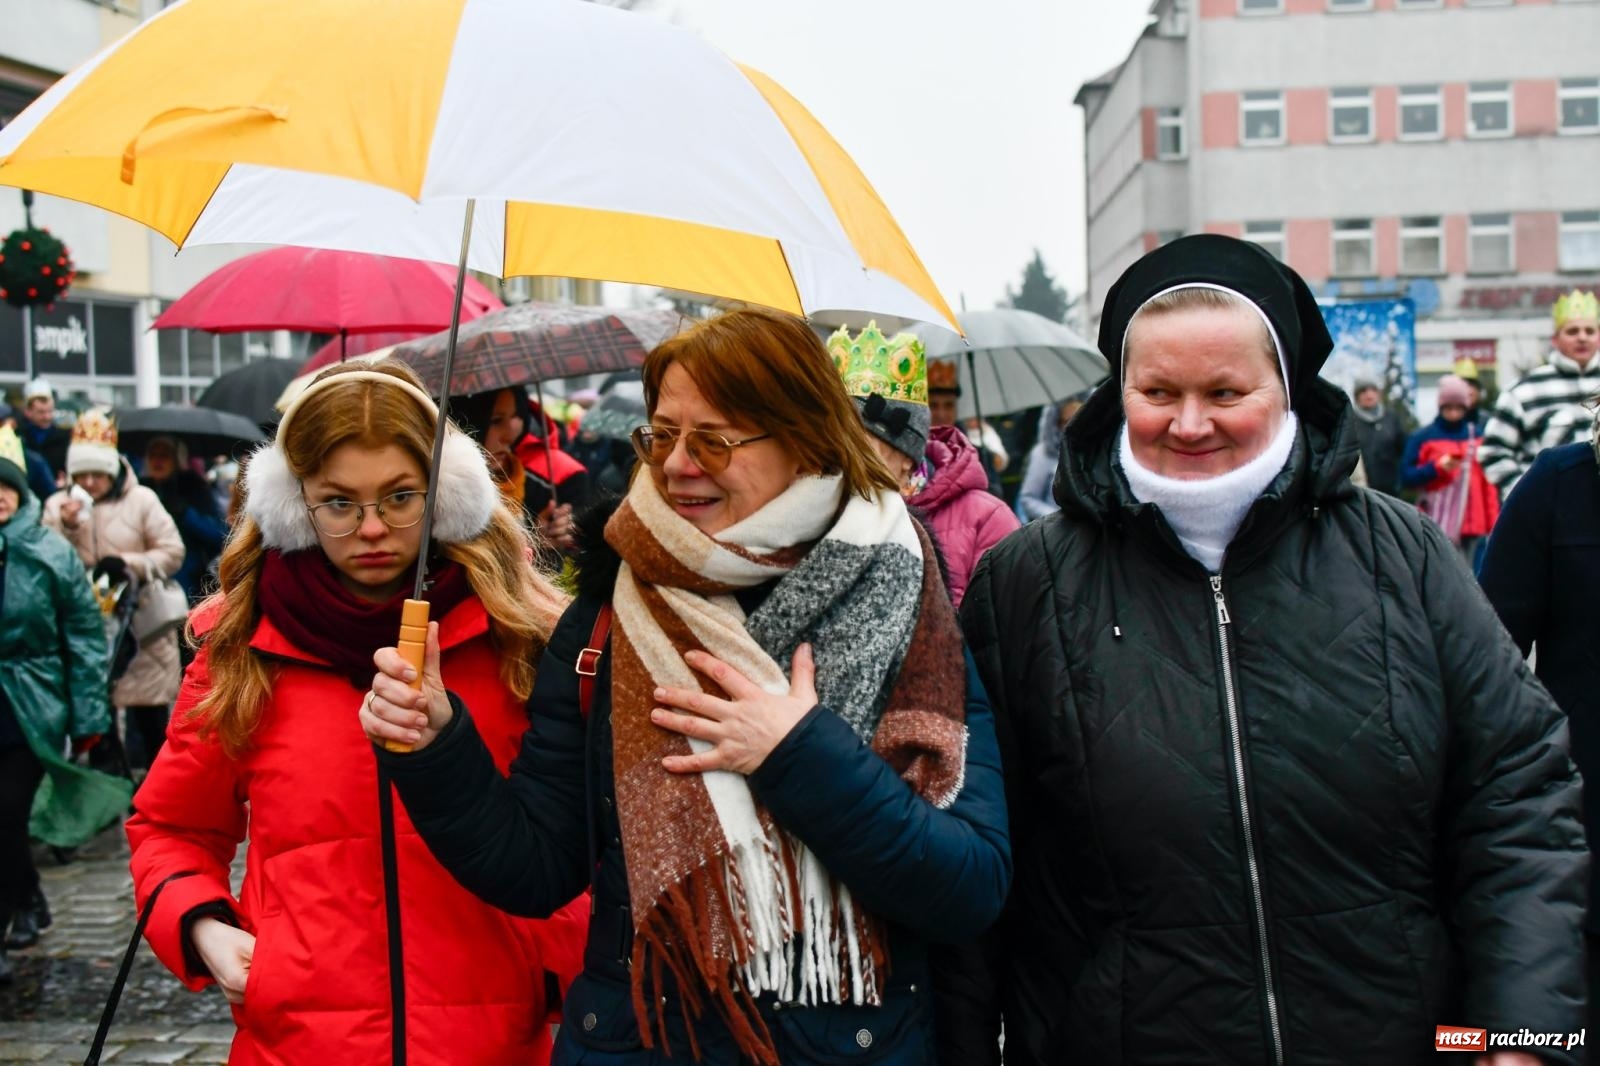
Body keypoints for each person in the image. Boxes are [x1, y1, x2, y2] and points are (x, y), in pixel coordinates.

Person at [948, 235, 1586, 1066]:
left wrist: (1523, 1035)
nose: (1189, 423)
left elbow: (1517, 792)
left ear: (1286, 388)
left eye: (1225, 391)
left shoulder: (1402, 555)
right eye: (1157, 391)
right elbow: (977, 861)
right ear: (1118, 392)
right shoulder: (1025, 583)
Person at [361, 307, 1010, 1066]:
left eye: (714, 440)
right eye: (663, 435)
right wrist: (437, 744)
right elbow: (535, 865)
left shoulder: (901, 600)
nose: (676, 465)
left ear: (805, 440)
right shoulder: (607, 612)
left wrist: (798, 754)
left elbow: (969, 885)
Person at [125, 361, 587, 1065]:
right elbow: (171, 827)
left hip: (491, 1039)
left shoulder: (525, 640)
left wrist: (549, 957)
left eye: (401, 497)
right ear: (294, 504)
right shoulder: (241, 649)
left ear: (445, 493)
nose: (372, 529)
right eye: (338, 503)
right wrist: (204, 928)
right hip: (297, 1043)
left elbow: (584, 832)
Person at [0, 425, 124, 980]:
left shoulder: (48, 552)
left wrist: (87, 716)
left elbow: (83, 635)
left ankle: (7, 921)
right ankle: (27, 894)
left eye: (5, 487)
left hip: (31, 706)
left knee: (8, 814)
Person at [828, 322, 1019, 607]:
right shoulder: (825, 512)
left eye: (863, 443)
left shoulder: (987, 519)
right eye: (842, 442)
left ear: (906, 455)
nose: (848, 457)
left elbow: (1005, 620)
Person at [42, 410, 185, 770]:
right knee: (99, 727)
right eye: (82, 475)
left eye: (98, 474)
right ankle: (110, 791)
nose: (90, 482)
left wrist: (128, 563)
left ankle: (152, 791)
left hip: (142, 630)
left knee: (151, 727)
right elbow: (45, 562)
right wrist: (67, 527)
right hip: (87, 632)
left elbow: (173, 552)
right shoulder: (57, 507)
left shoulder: (142, 500)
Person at [1480, 289, 1599, 495]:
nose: (1582, 337)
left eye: (1589, 331)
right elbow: (1493, 451)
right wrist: (1526, 496)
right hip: (1554, 507)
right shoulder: (1524, 390)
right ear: (1555, 339)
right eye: (1572, 331)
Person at [453, 387, 587, 553]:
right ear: (460, 421)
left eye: (516, 416)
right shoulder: (445, 492)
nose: (509, 435)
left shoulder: (522, 477)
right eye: (495, 421)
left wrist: (541, 544)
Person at [1400, 374, 1500, 563]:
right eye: (1448, 408)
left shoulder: (1478, 437)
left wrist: (1493, 522)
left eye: (1458, 408)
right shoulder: (1423, 438)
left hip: (1476, 525)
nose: (1454, 413)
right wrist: (1436, 468)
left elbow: (1488, 484)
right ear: (1441, 407)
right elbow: (1406, 477)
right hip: (1438, 522)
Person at [141, 436, 227, 604]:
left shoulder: (194, 487)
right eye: (153, 455)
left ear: (176, 459)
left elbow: (219, 534)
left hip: (188, 581)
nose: (158, 461)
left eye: (164, 456)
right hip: (148, 578)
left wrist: (186, 513)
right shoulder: (140, 489)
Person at [1015, 393, 1088, 521]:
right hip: (1059, 528)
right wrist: (1062, 519)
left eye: (1080, 417)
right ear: (1056, 424)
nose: (1075, 423)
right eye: (1067, 420)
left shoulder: (1098, 449)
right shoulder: (1043, 453)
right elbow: (1028, 499)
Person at [1348, 375, 1406, 496]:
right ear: (1357, 396)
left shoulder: (1391, 418)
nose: (1369, 395)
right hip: (1363, 490)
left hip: (1392, 489)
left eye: (1372, 390)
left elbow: (1403, 449)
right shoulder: (1350, 421)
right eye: (1363, 391)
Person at [18, 378, 69, 483]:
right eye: (41, 412)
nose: (47, 417)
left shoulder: (64, 438)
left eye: (50, 411)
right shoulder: (18, 436)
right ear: (28, 411)